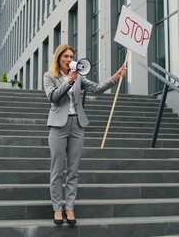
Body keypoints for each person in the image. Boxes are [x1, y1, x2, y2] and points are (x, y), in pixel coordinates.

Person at [43, 44, 127, 225]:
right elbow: (53, 97)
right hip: (58, 126)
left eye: (71, 56)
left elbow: (97, 88)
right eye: (65, 56)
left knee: (73, 170)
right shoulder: (50, 76)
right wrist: (69, 82)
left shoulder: (79, 76)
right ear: (59, 58)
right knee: (57, 170)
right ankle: (58, 208)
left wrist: (115, 77)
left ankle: (70, 207)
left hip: (77, 125)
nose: (68, 59)